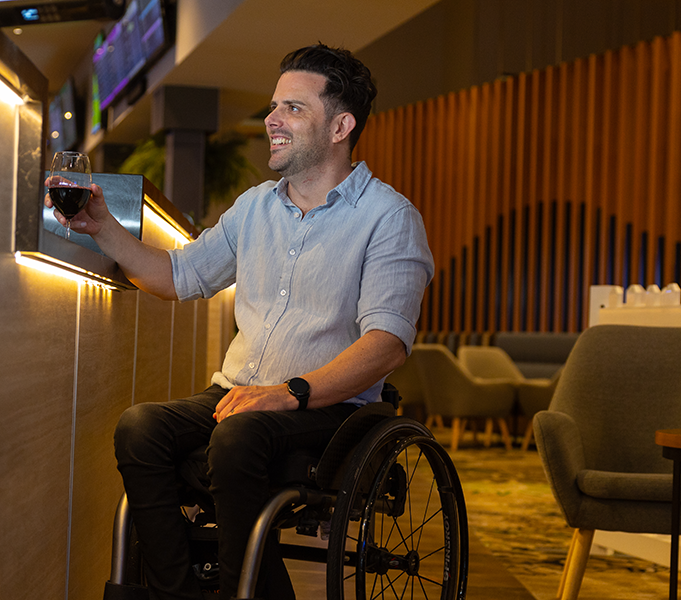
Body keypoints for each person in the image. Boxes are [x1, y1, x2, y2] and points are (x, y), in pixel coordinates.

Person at [49, 44, 433, 600]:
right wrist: (103, 227)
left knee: (237, 438)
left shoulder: (389, 218)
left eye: (293, 109)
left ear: (341, 125)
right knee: (140, 427)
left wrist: (288, 393)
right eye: (274, 106)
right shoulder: (255, 206)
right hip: (237, 396)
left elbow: (388, 343)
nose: (272, 120)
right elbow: (178, 277)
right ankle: (175, 592)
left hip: (330, 409)